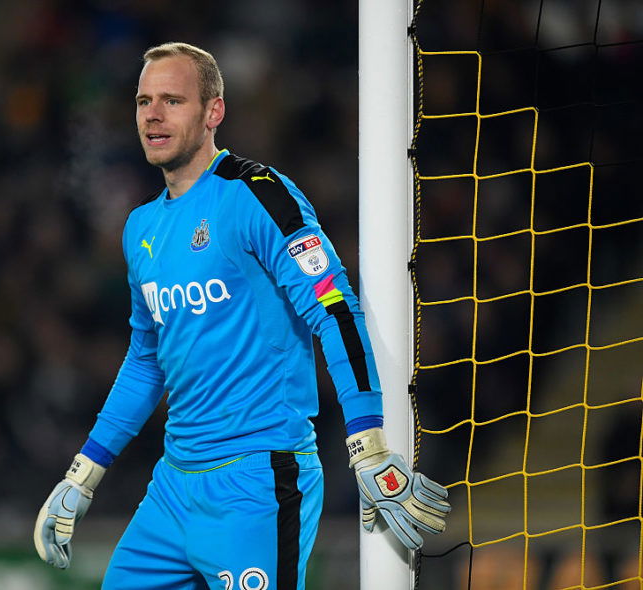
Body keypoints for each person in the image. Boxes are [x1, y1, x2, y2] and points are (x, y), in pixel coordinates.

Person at [34, 42, 450, 589]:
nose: (153, 115)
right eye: (143, 101)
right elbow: (144, 360)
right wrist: (83, 472)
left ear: (214, 112)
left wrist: (367, 444)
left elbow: (335, 309)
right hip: (173, 488)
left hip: (258, 481)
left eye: (172, 101)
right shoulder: (141, 229)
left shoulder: (258, 197)